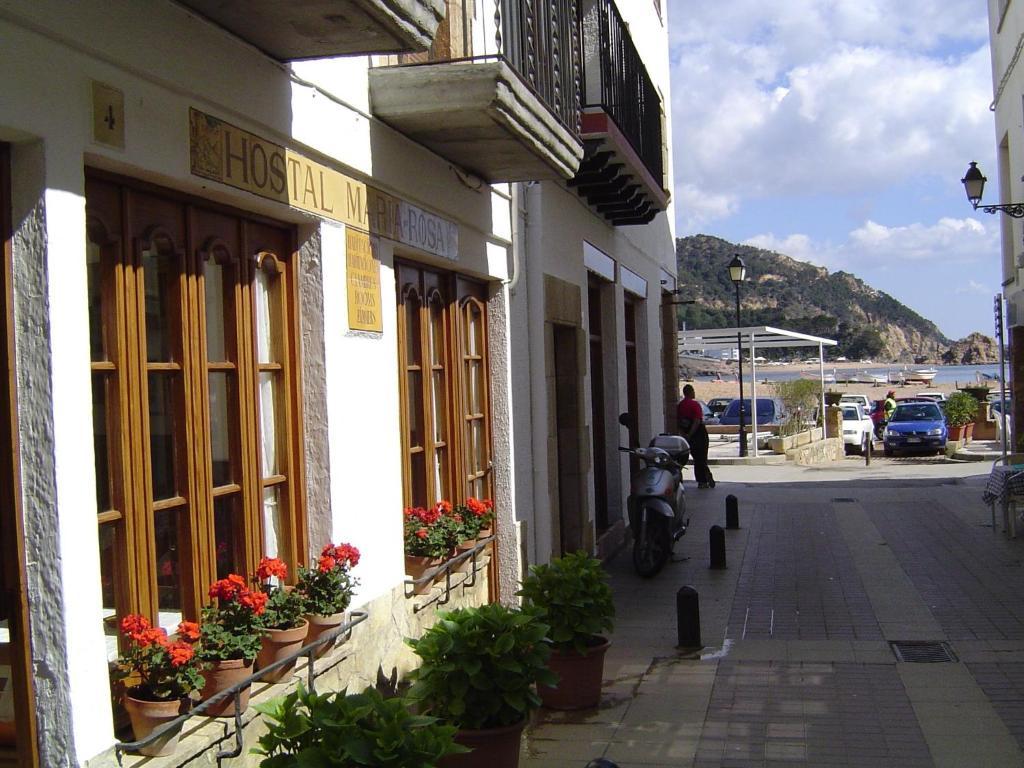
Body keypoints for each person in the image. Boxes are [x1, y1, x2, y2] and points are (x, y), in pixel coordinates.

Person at [677, 384, 715, 489]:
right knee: (701, 458)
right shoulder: (695, 405)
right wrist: (691, 434)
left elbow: (678, 422)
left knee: (696, 457)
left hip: (686, 432)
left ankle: (705, 477)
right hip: (698, 433)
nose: (694, 393)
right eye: (693, 390)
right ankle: (703, 479)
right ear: (690, 392)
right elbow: (697, 421)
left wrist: (684, 435)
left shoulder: (680, 406)